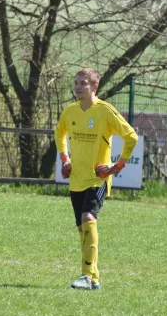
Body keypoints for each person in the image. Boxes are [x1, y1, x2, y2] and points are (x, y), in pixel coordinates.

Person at [55, 67, 138, 290]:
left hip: (97, 179)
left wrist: (116, 166)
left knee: (88, 217)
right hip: (76, 179)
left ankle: (84, 275)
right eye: (76, 83)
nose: (78, 87)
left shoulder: (105, 111)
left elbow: (131, 136)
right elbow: (59, 133)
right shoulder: (70, 112)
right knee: (83, 229)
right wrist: (65, 159)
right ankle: (94, 277)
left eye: (83, 83)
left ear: (94, 86)